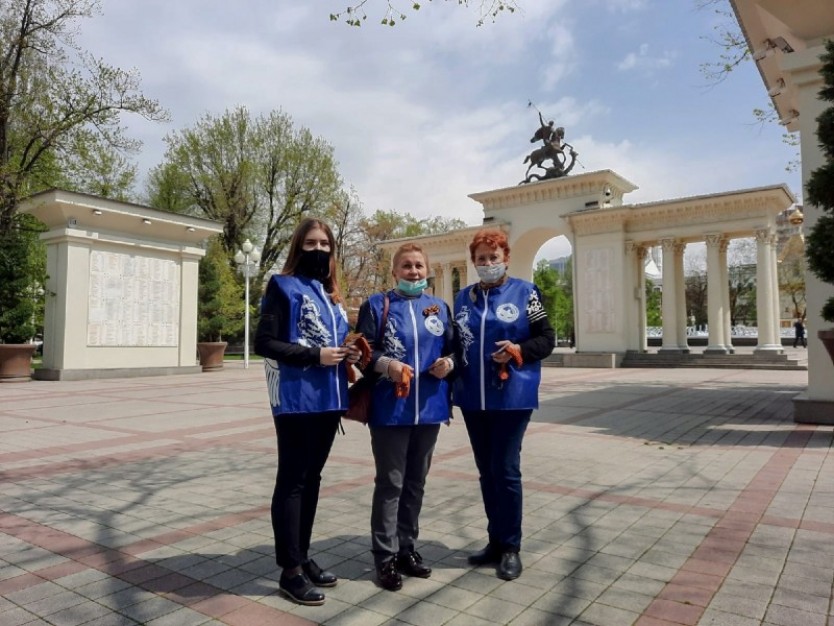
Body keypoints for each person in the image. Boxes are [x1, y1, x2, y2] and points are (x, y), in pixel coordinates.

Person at [254, 218, 361, 606]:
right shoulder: (282, 286)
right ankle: (290, 571)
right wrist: (315, 355)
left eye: (325, 244)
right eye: (311, 243)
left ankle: (302, 556)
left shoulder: (331, 295)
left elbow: (333, 343)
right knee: (293, 481)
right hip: (297, 398)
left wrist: (348, 351)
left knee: (312, 479)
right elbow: (264, 342)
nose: (318, 250)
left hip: (330, 399)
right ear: (298, 247)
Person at [453, 228, 555, 581]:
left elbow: (547, 339)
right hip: (473, 398)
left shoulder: (526, 293)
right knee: (487, 471)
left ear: (506, 258)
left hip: (512, 397)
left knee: (506, 469)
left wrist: (518, 350)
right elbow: (454, 343)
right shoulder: (462, 298)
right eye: (481, 258)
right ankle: (495, 542)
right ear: (474, 262)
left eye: (493, 257)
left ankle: (511, 546)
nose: (487, 263)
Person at [355, 243, 457, 591]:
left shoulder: (439, 308)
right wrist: (388, 366)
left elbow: (455, 350)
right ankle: (384, 556)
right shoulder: (377, 305)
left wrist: (448, 364)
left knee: (415, 482)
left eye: (418, 266)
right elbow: (363, 353)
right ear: (394, 271)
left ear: (427, 270)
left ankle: (406, 548)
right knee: (391, 483)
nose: (413, 272)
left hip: (429, 408)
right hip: (391, 409)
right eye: (407, 266)